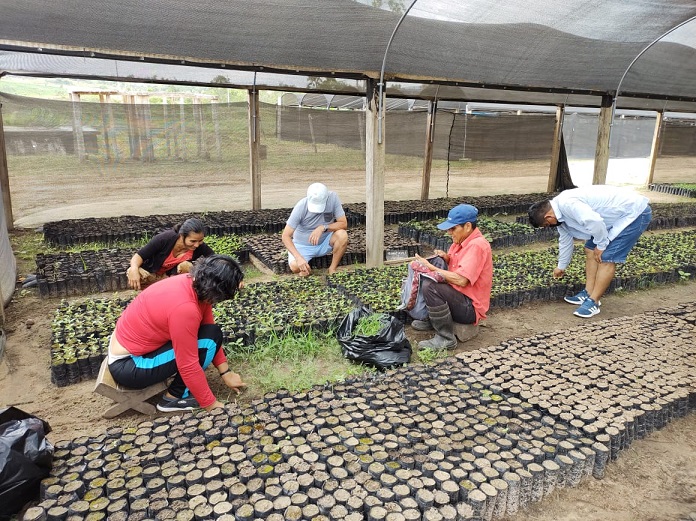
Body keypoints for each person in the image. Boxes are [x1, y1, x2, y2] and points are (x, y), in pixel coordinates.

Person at [108, 254, 247, 412]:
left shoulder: (194, 283)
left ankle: (178, 392)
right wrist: (211, 405)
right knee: (204, 345)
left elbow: (210, 330)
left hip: (130, 351)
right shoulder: (185, 309)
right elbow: (188, 363)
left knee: (211, 334)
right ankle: (174, 397)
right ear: (217, 290)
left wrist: (226, 372)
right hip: (130, 365)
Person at [528, 185, 652, 318]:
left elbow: (595, 221)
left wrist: (602, 245)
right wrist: (561, 267)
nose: (550, 227)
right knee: (590, 249)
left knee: (606, 257)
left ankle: (594, 301)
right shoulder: (560, 218)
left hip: (634, 214)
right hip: (611, 220)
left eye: (547, 225)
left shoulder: (568, 204)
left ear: (548, 217)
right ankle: (588, 292)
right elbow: (565, 241)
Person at [411, 204, 493, 350]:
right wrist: (446, 258)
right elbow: (459, 266)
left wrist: (431, 268)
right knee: (434, 270)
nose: (449, 232)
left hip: (470, 308)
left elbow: (461, 280)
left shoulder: (477, 246)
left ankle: (446, 338)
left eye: (453, 228)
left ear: (467, 226)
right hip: (459, 298)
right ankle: (434, 320)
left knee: (431, 287)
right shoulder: (460, 242)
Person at [127, 217, 214, 290]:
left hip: (171, 279)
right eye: (193, 241)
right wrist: (134, 270)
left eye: (200, 240)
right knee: (133, 270)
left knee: (186, 266)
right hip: (151, 274)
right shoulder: (165, 239)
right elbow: (138, 256)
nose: (197, 244)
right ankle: (150, 291)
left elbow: (215, 259)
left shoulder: (199, 247)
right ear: (182, 236)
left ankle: (179, 290)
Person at [282, 182, 348, 276]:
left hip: (325, 241)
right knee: (295, 267)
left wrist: (323, 227)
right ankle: (306, 268)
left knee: (342, 235)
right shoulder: (301, 207)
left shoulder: (333, 198)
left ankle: (332, 269)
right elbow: (285, 236)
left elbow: (343, 224)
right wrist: (298, 258)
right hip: (303, 246)